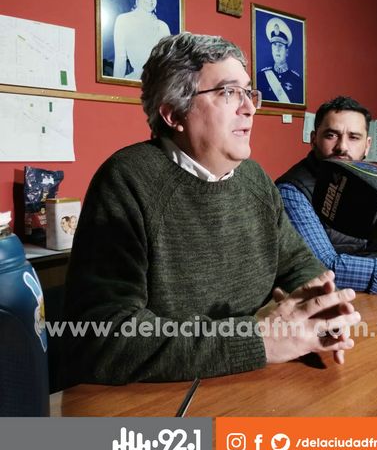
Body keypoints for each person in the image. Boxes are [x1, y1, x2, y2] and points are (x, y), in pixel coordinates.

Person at [63, 34, 360, 385]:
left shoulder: (254, 178)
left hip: (251, 383)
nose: (249, 108)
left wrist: (322, 310)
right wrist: (257, 340)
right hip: (158, 401)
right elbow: (103, 336)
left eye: (248, 92)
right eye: (228, 92)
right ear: (174, 113)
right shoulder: (127, 180)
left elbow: (298, 263)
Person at [276, 96, 377, 294]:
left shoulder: (373, 182)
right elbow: (324, 267)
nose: (342, 147)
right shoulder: (291, 190)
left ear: (367, 145)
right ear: (314, 139)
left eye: (354, 137)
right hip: (329, 298)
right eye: (331, 135)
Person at [112, 0, 170, 80]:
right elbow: (120, 62)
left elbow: (167, 67)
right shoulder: (123, 21)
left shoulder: (163, 27)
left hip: (158, 85)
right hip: (135, 82)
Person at [256, 17, 303, 104]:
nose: (277, 49)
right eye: (274, 45)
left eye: (280, 45)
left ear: (287, 52)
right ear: (271, 49)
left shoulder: (297, 82)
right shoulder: (260, 77)